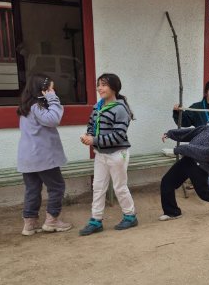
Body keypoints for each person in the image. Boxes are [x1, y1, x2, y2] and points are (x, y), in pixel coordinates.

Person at [79, 73, 138, 236]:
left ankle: (130, 216)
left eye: (104, 85)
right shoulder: (97, 107)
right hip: (101, 154)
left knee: (119, 187)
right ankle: (95, 220)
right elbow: (91, 125)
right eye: (98, 85)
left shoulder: (120, 109)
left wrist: (93, 140)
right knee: (98, 187)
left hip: (118, 154)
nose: (99, 88)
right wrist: (88, 136)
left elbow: (118, 136)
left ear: (114, 87)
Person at [17, 73, 72, 236]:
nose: (53, 91)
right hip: (43, 157)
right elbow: (53, 119)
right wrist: (53, 99)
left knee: (32, 189)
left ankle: (30, 224)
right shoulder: (37, 107)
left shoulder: (26, 107)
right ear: (42, 90)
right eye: (51, 89)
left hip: (28, 157)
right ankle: (52, 221)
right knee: (57, 187)